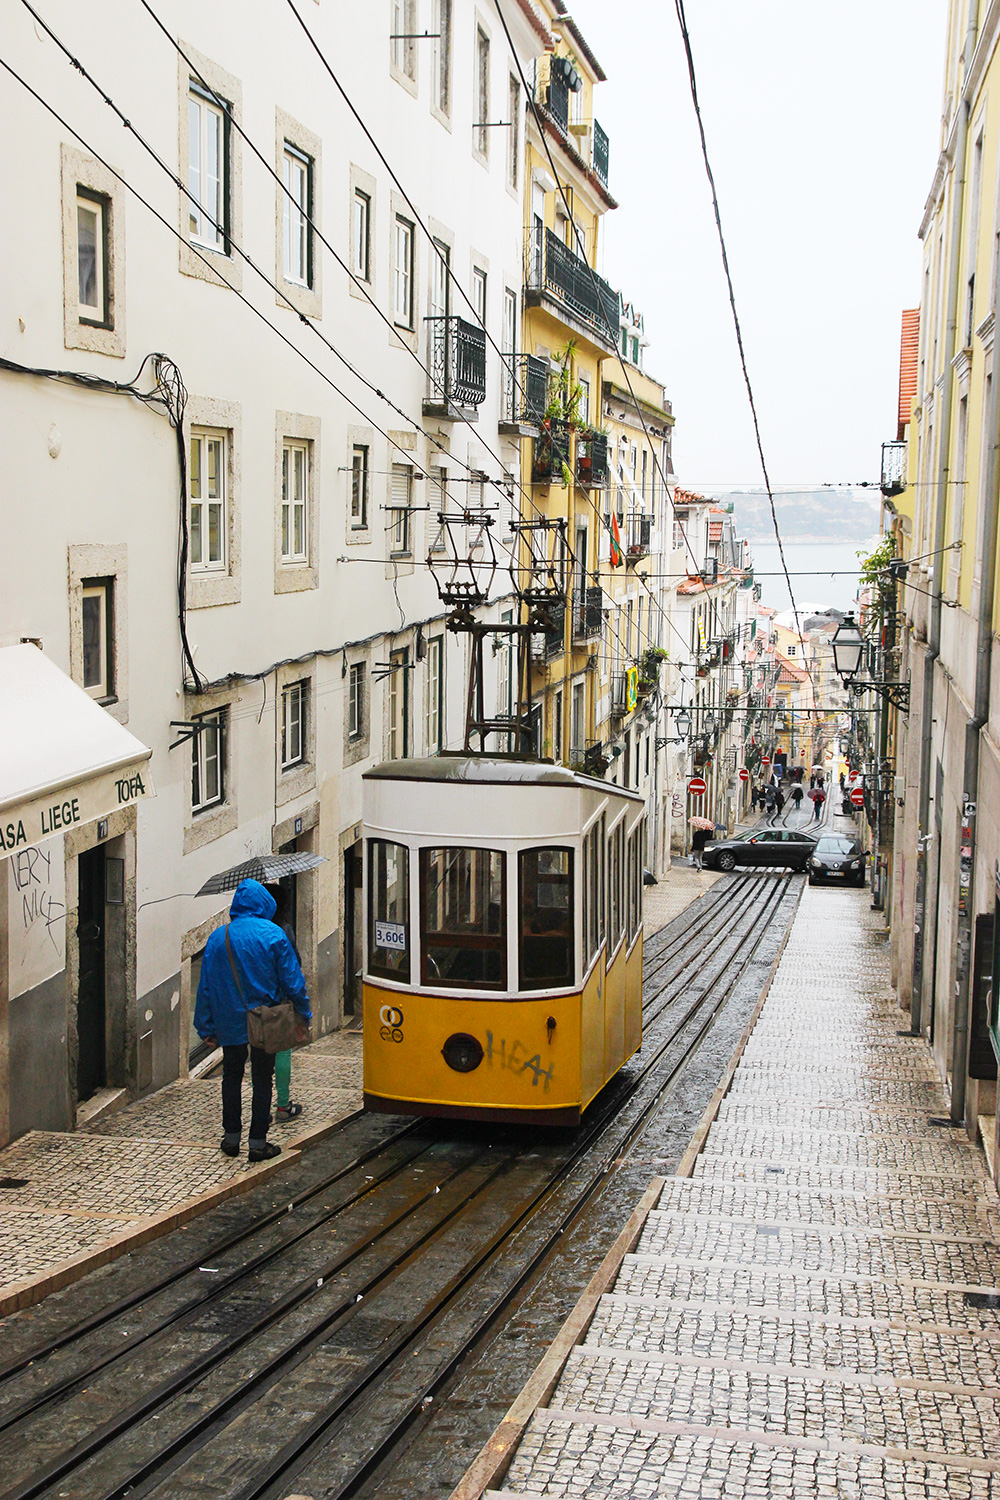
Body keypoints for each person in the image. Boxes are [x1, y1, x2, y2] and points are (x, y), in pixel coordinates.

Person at [194, 879, 312, 1162]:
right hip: (265, 1019)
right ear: (263, 904)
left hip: (230, 1020)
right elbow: (293, 981)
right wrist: (303, 1013)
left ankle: (231, 1138)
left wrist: (205, 1026)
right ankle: (258, 1142)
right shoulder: (273, 935)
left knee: (231, 1076)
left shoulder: (217, 938)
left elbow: (205, 986)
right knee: (262, 1079)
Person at [269, 885, 304, 1124]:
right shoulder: (283, 931)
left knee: (259, 1055)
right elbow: (295, 965)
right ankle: (282, 1105)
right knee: (283, 1051)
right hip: (280, 1000)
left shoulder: (250, 931)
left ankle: (260, 1106)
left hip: (253, 1002)